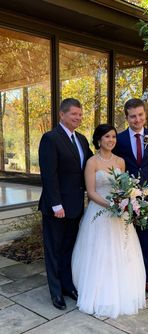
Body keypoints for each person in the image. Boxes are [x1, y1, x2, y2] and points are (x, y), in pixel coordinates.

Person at [72, 124, 146, 319]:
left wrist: (126, 202)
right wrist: (111, 205)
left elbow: (125, 187)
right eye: (107, 137)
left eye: (113, 136)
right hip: (100, 211)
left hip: (119, 215)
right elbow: (91, 192)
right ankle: (98, 293)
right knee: (100, 254)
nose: (111, 140)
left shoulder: (121, 162)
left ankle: (122, 292)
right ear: (98, 140)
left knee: (122, 253)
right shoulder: (92, 163)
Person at [38, 98, 93, 310]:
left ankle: (67, 286)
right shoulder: (50, 138)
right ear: (62, 115)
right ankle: (55, 292)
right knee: (53, 249)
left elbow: (88, 167)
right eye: (74, 114)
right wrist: (56, 205)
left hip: (76, 205)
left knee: (69, 249)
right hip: (57, 208)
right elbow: (49, 175)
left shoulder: (81, 139)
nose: (78, 118)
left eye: (80, 114)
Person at [115, 98, 148, 297]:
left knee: (146, 243)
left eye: (140, 115)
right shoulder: (118, 139)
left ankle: (147, 282)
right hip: (125, 202)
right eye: (133, 116)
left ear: (145, 115)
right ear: (126, 117)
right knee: (125, 243)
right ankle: (126, 281)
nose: (137, 119)